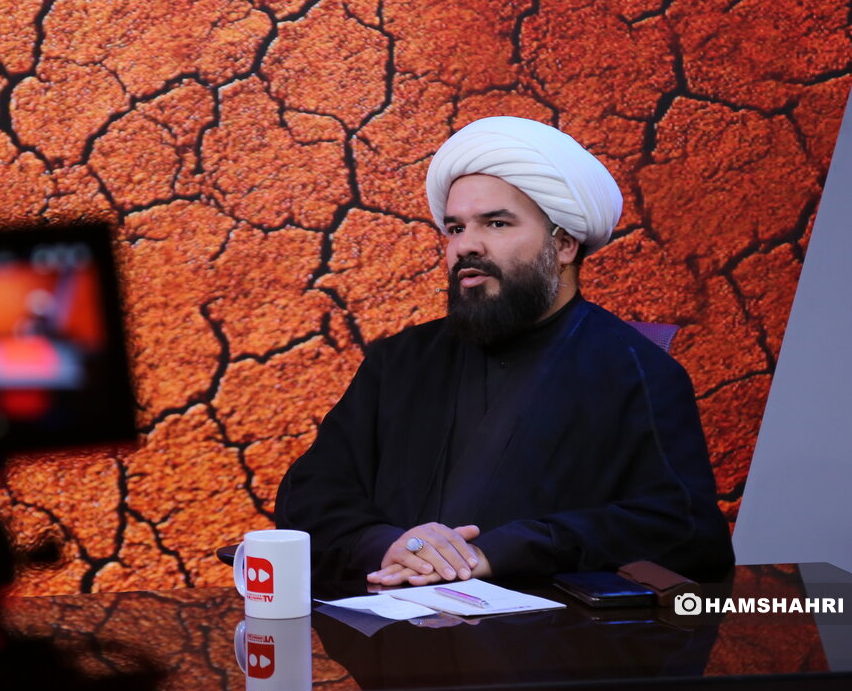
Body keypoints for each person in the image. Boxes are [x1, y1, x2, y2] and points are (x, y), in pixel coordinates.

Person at [275, 116, 733, 588]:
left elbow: (685, 530)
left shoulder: (636, 370)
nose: (465, 246)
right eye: (455, 228)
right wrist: (388, 544)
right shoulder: (399, 361)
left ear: (564, 244)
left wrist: (503, 552)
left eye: (496, 223)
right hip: (384, 619)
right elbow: (308, 493)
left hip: (546, 631)